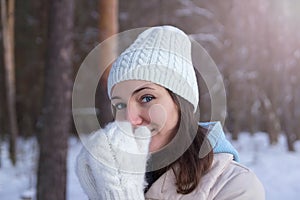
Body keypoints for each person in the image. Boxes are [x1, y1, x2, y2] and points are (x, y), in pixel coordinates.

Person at [76, 25, 265, 200]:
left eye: (147, 98)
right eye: (119, 105)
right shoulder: (115, 177)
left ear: (181, 104)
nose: (130, 119)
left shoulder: (236, 185)